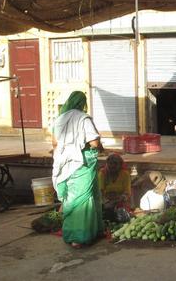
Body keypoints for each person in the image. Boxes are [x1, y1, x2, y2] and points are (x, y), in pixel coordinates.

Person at [51, 91, 104, 248]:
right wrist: (101, 148)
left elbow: (54, 143)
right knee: (83, 199)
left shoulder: (59, 119)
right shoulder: (83, 118)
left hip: (65, 163)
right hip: (82, 163)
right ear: (82, 103)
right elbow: (94, 143)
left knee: (72, 197)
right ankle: (79, 237)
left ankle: (81, 232)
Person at [98, 153, 131, 220]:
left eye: (115, 163)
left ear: (120, 165)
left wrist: (119, 200)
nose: (112, 166)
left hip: (120, 201)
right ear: (107, 164)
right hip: (105, 202)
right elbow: (99, 192)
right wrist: (106, 203)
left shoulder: (125, 174)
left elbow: (127, 192)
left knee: (123, 216)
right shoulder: (102, 174)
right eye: (110, 163)